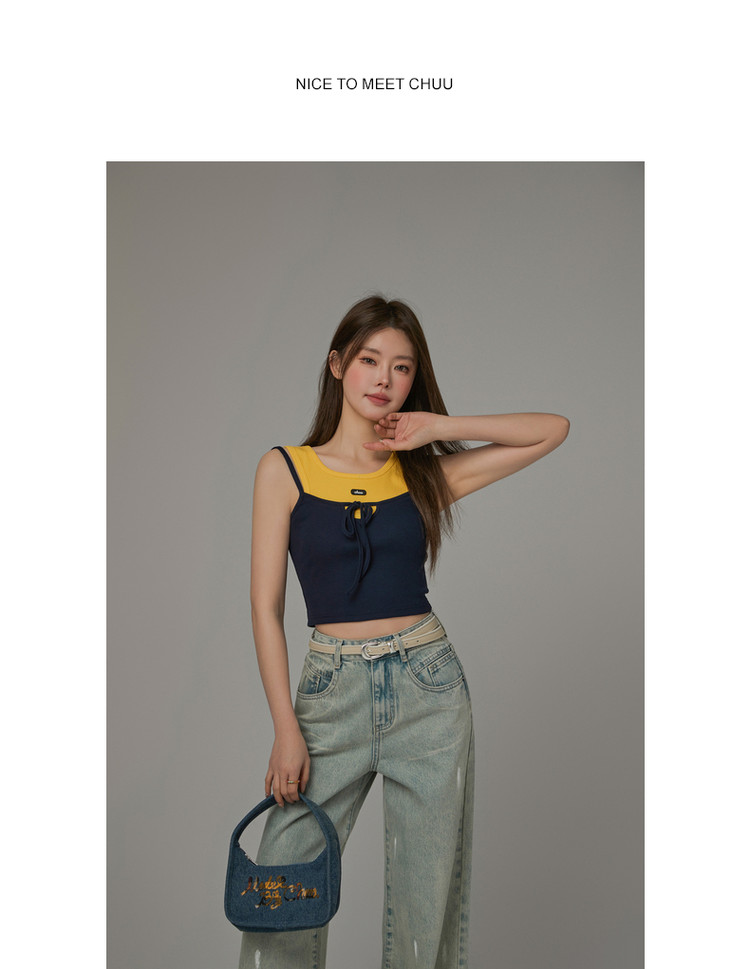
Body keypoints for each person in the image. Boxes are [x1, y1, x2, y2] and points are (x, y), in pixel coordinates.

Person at [239, 295, 569, 969]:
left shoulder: (421, 476)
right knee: (280, 892)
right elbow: (264, 608)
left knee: (426, 911)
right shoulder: (284, 469)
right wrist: (285, 727)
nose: (384, 378)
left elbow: (552, 430)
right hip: (330, 692)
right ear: (338, 365)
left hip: (428, 690)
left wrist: (439, 426)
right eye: (369, 360)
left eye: (402, 366)